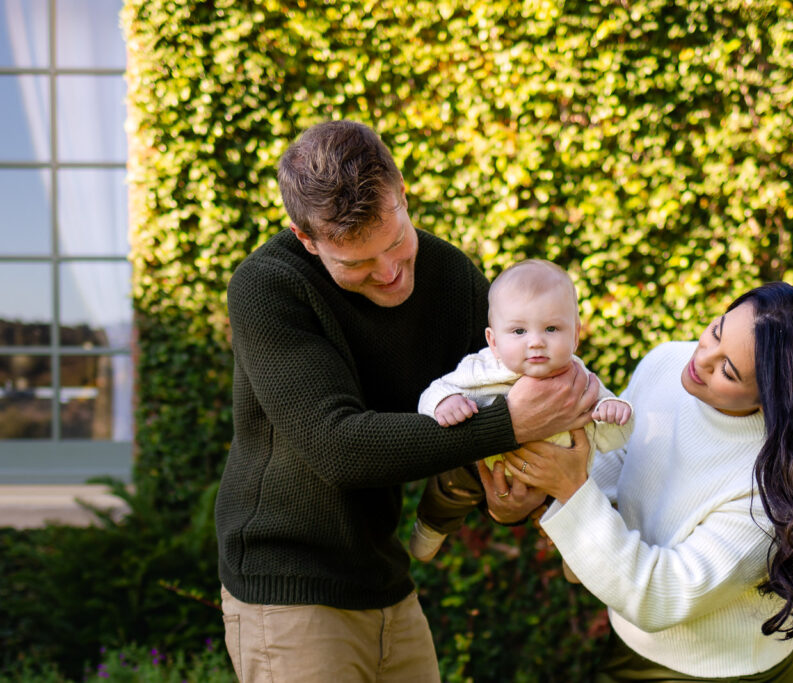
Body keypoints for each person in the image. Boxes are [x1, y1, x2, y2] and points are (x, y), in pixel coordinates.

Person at [213, 119, 600, 683]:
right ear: (306, 238)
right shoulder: (268, 288)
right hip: (287, 587)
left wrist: (516, 502)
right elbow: (338, 447)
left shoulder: (453, 279)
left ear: (403, 195)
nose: (391, 272)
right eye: (357, 264)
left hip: (384, 575)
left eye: (396, 241)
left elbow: (494, 406)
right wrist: (507, 426)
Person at [506, 282, 793, 682]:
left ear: (770, 400)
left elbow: (658, 596)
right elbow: (621, 455)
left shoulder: (778, 489)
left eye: (728, 371)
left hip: (722, 672)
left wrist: (573, 494)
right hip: (631, 640)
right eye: (717, 331)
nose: (701, 358)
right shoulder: (667, 362)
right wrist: (559, 502)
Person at [408, 258, 634, 572]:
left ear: (576, 335)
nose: (536, 341)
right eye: (518, 331)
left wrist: (614, 411)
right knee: (449, 488)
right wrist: (445, 402)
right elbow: (432, 392)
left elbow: (614, 437)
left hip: (550, 476)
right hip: (480, 465)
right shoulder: (481, 369)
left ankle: (579, 559)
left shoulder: (581, 379)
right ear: (493, 341)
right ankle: (431, 525)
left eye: (552, 328)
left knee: (574, 506)